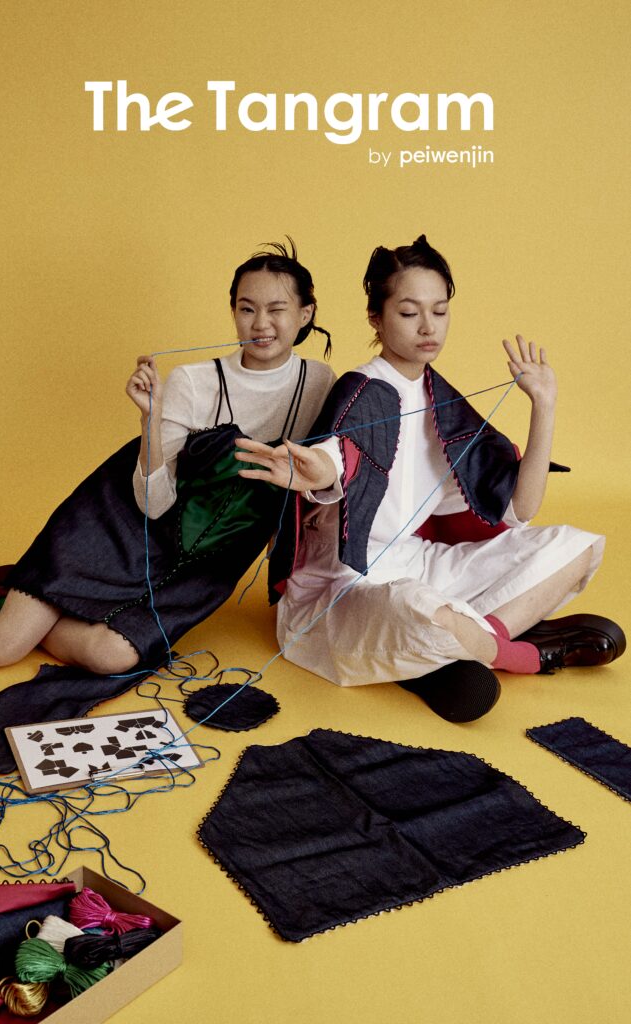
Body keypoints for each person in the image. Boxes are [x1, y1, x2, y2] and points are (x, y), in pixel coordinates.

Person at [236, 236, 625, 721]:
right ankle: (521, 653)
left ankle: (464, 647)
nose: (428, 327)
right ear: (376, 318)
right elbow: (339, 451)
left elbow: (520, 509)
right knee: (421, 608)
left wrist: (543, 404)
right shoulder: (364, 389)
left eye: (439, 311)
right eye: (408, 312)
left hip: (415, 562)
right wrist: (318, 470)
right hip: (342, 591)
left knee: (576, 547)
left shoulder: (441, 399)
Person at [0, 241, 335, 675]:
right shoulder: (194, 382)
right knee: (1, 647)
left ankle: (19, 597)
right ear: (233, 312)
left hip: (204, 564)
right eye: (247, 309)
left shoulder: (320, 383)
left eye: (276, 309)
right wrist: (150, 419)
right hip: (123, 526)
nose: (260, 323)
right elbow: (154, 504)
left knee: (112, 657)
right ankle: (26, 604)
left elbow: (311, 486)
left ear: (305, 314)